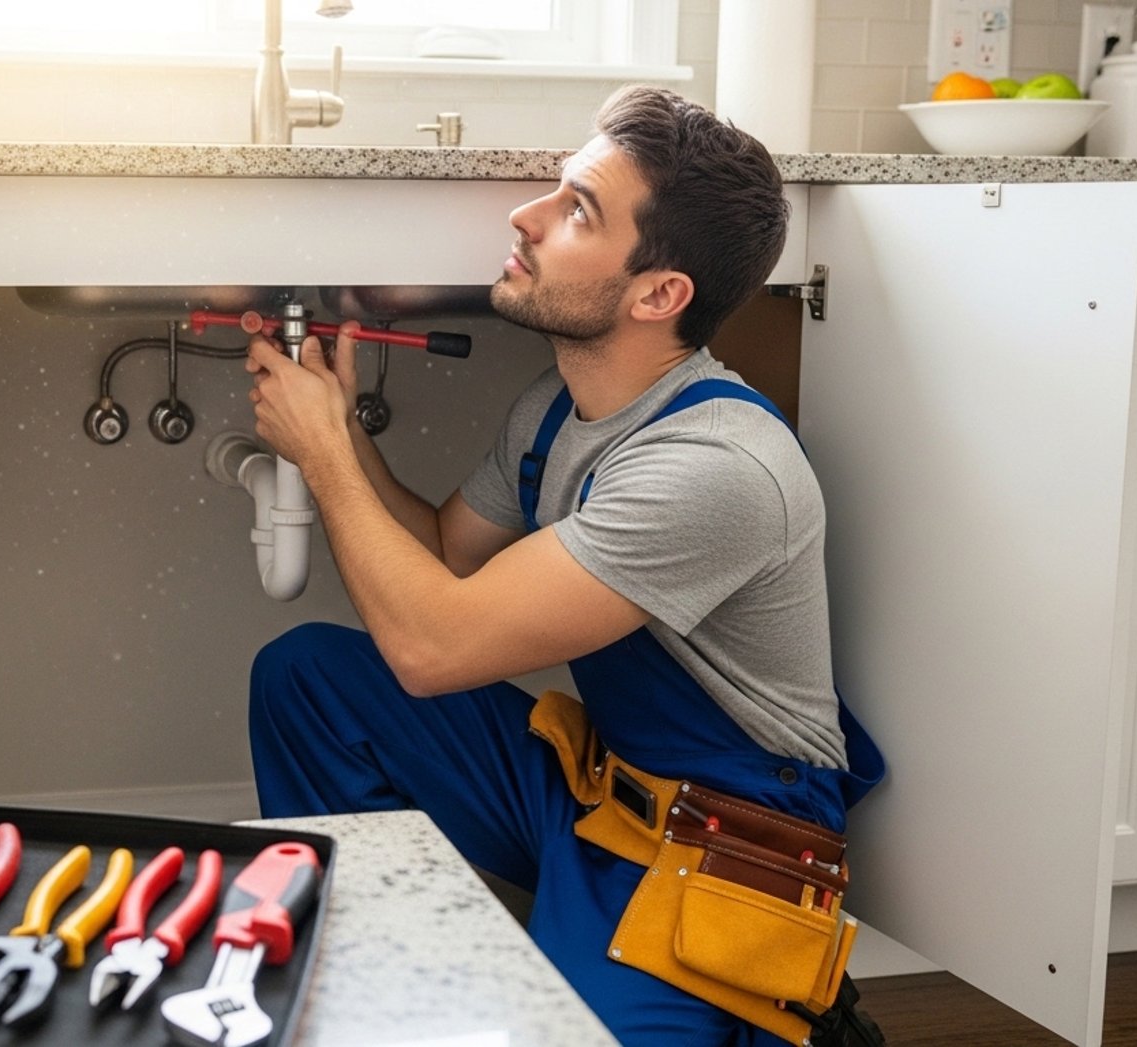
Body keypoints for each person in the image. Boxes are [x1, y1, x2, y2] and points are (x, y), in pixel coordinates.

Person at [241, 85, 885, 1047]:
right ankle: (392, 988)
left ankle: (786, 1010)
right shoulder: (554, 409)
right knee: (309, 680)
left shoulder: (713, 469)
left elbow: (430, 646)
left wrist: (327, 457)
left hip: (726, 848)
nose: (525, 215)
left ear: (658, 293)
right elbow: (449, 560)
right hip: (596, 790)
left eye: (577, 209)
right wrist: (340, 434)